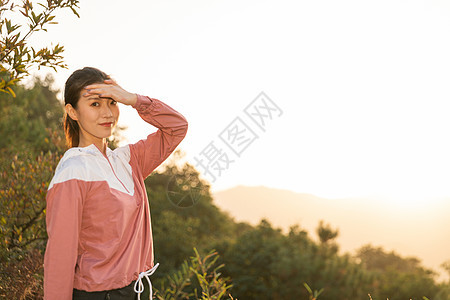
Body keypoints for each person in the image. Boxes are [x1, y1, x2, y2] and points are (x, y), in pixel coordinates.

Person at [43, 67, 188, 300]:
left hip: (137, 289)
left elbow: (176, 128)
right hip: (98, 295)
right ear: (72, 112)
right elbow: (60, 257)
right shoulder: (73, 171)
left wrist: (133, 100)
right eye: (95, 104)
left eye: (112, 102)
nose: (107, 113)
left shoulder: (129, 160)